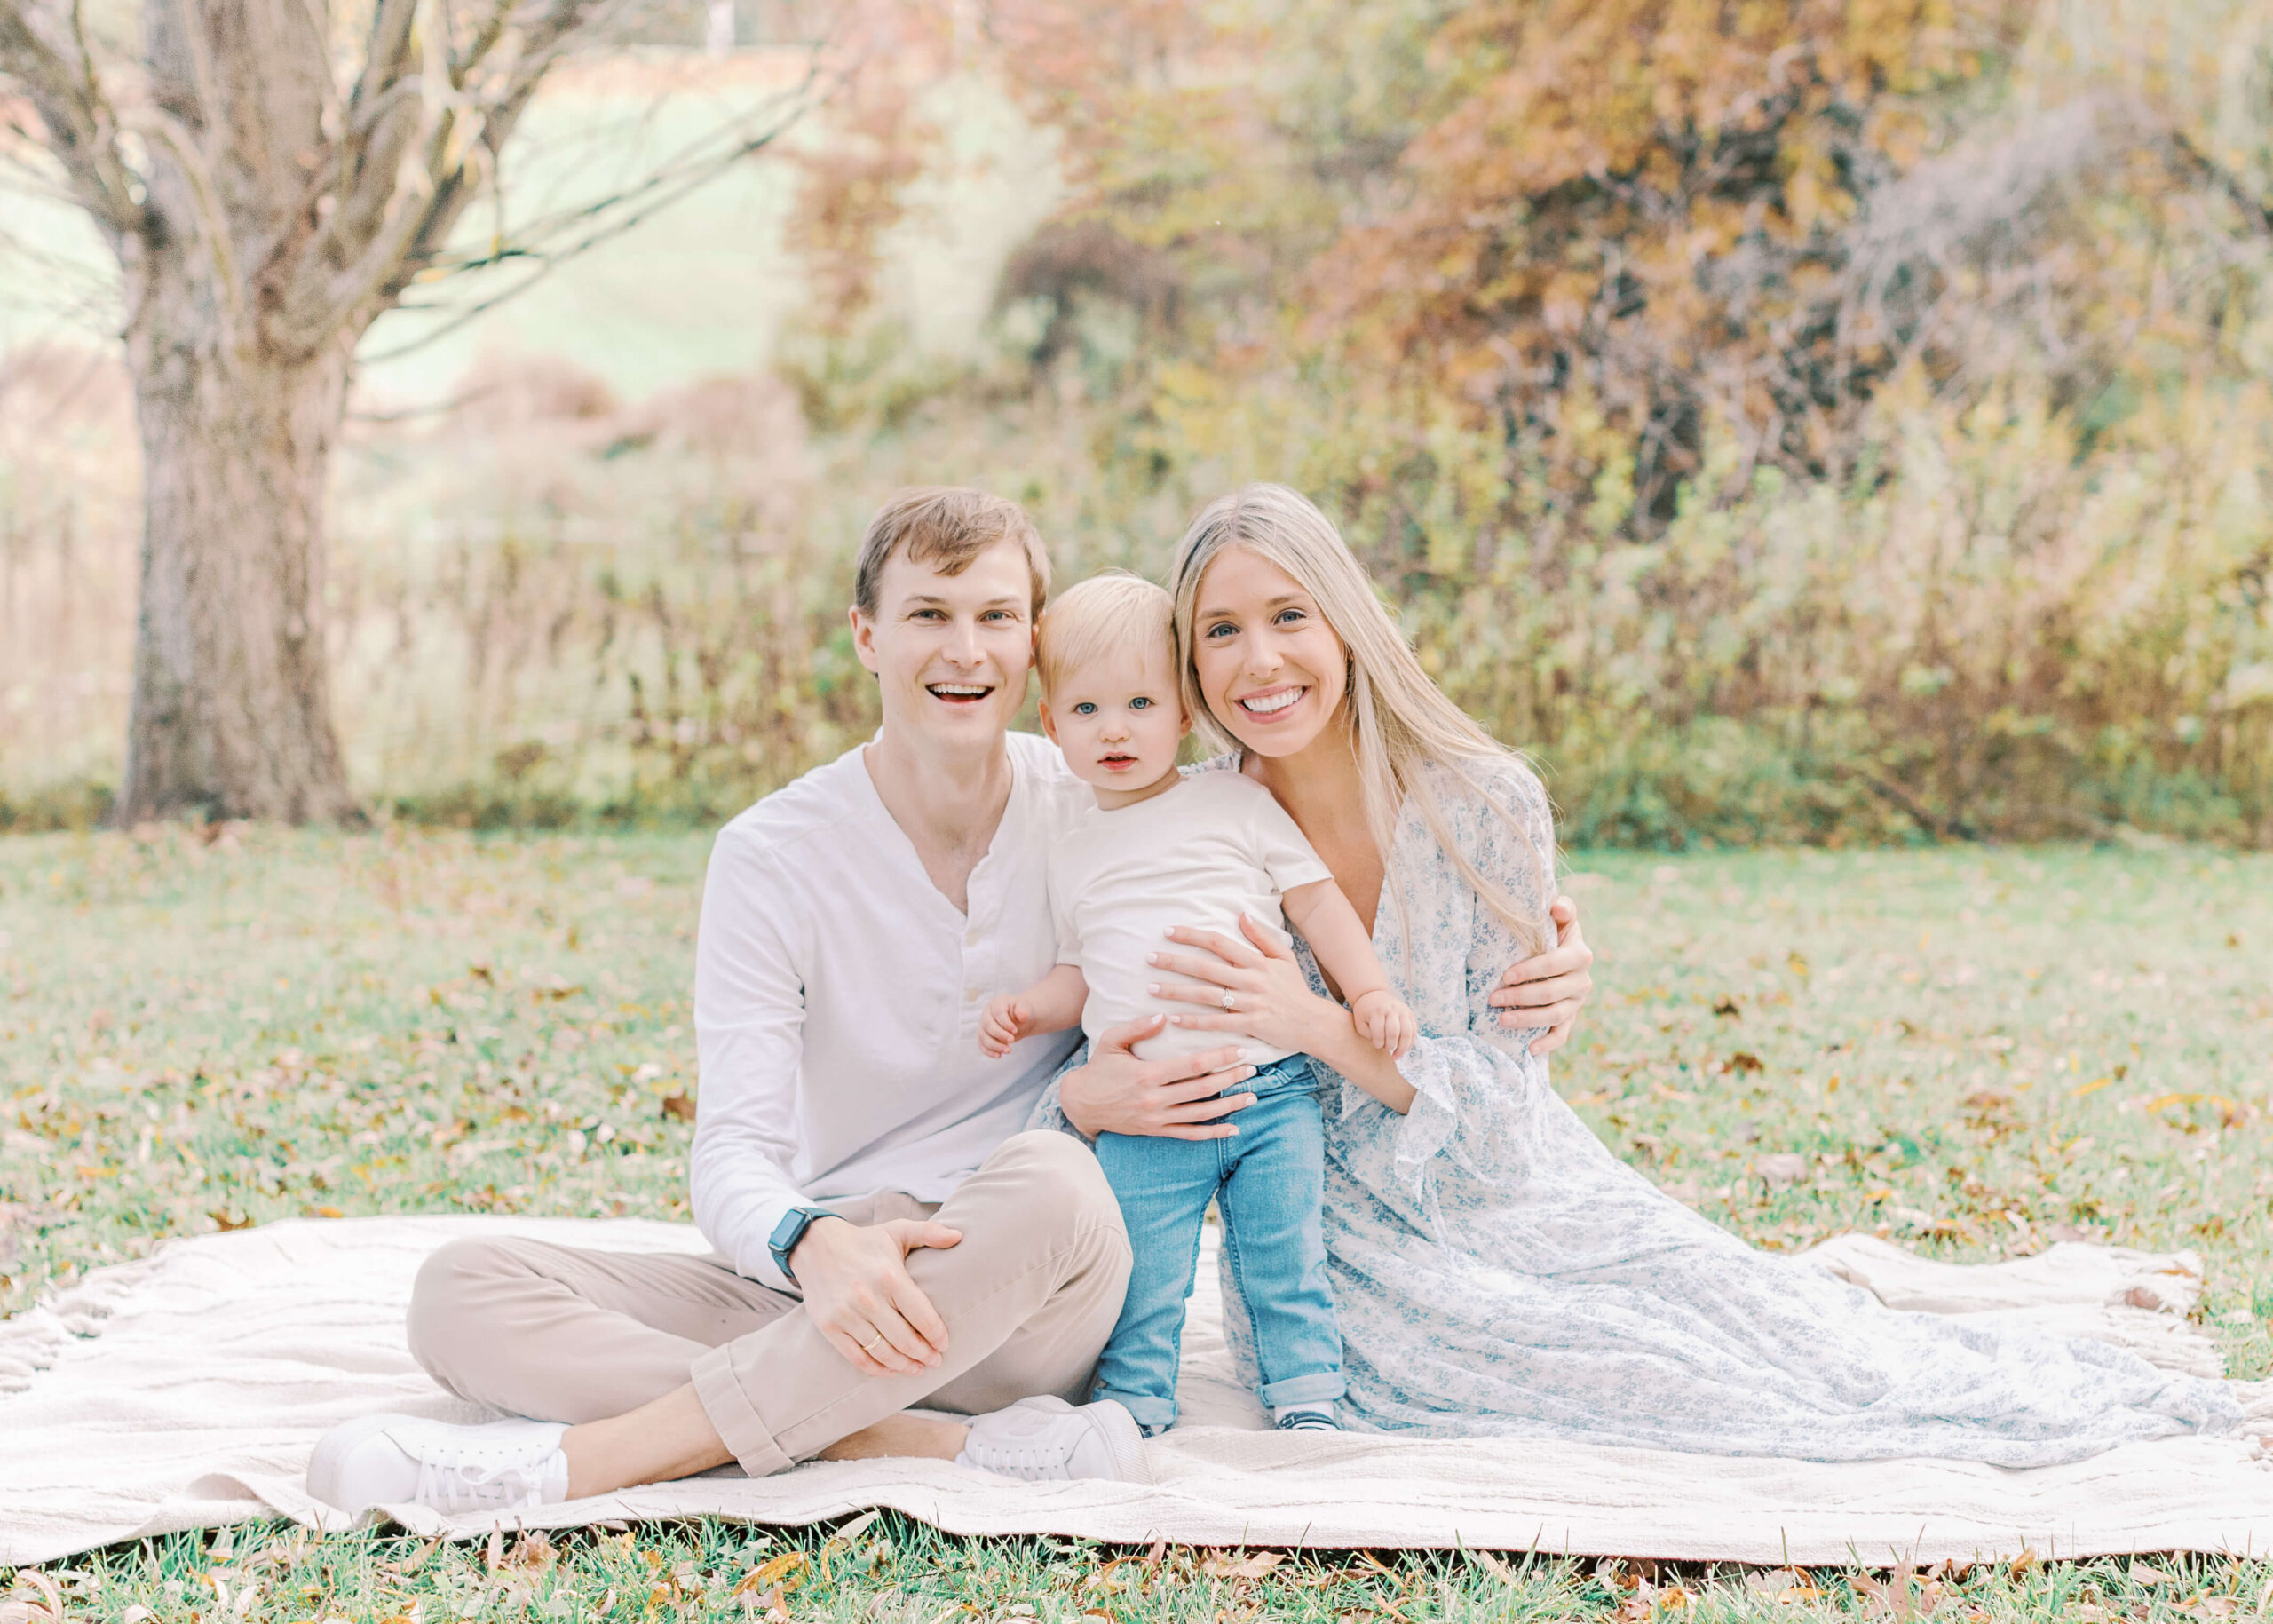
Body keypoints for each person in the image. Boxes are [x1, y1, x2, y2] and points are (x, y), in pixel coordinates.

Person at [304, 487, 1599, 1517]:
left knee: (1050, 1179)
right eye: (929, 614)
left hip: (1028, 1263)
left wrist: (1533, 952)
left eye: (994, 616)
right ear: (869, 635)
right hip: (839, 1277)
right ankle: (927, 1439)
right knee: (463, 1289)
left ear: (1032, 645)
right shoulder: (771, 851)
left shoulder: (1109, 801)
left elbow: (1298, 919)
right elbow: (734, 1151)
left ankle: (566, 1470)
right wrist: (812, 1243)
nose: (962, 649)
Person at [1041, 482, 2245, 1465]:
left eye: (1290, 615)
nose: (1263, 661)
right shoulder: (1185, 823)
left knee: (1742, 1320)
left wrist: (1311, 1022)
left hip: (1506, 1187)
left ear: (1349, 621)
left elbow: (1506, 1115)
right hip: (1329, 1247)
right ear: (1188, 667)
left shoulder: (1481, 803)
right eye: (1222, 631)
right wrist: (1096, 1094)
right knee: (1640, 1378)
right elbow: (1082, 995)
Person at [980, 572, 1414, 1437]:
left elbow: (1315, 902)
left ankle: (1306, 1392)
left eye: (1141, 702)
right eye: (1087, 709)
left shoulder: (1235, 802)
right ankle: (1136, 1396)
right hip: (1151, 1110)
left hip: (1270, 1090)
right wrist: (1031, 1008)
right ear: (1050, 724)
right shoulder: (1069, 847)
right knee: (1147, 1266)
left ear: (1183, 712)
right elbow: (1081, 970)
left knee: (1283, 1249)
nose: (1115, 728)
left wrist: (1368, 989)